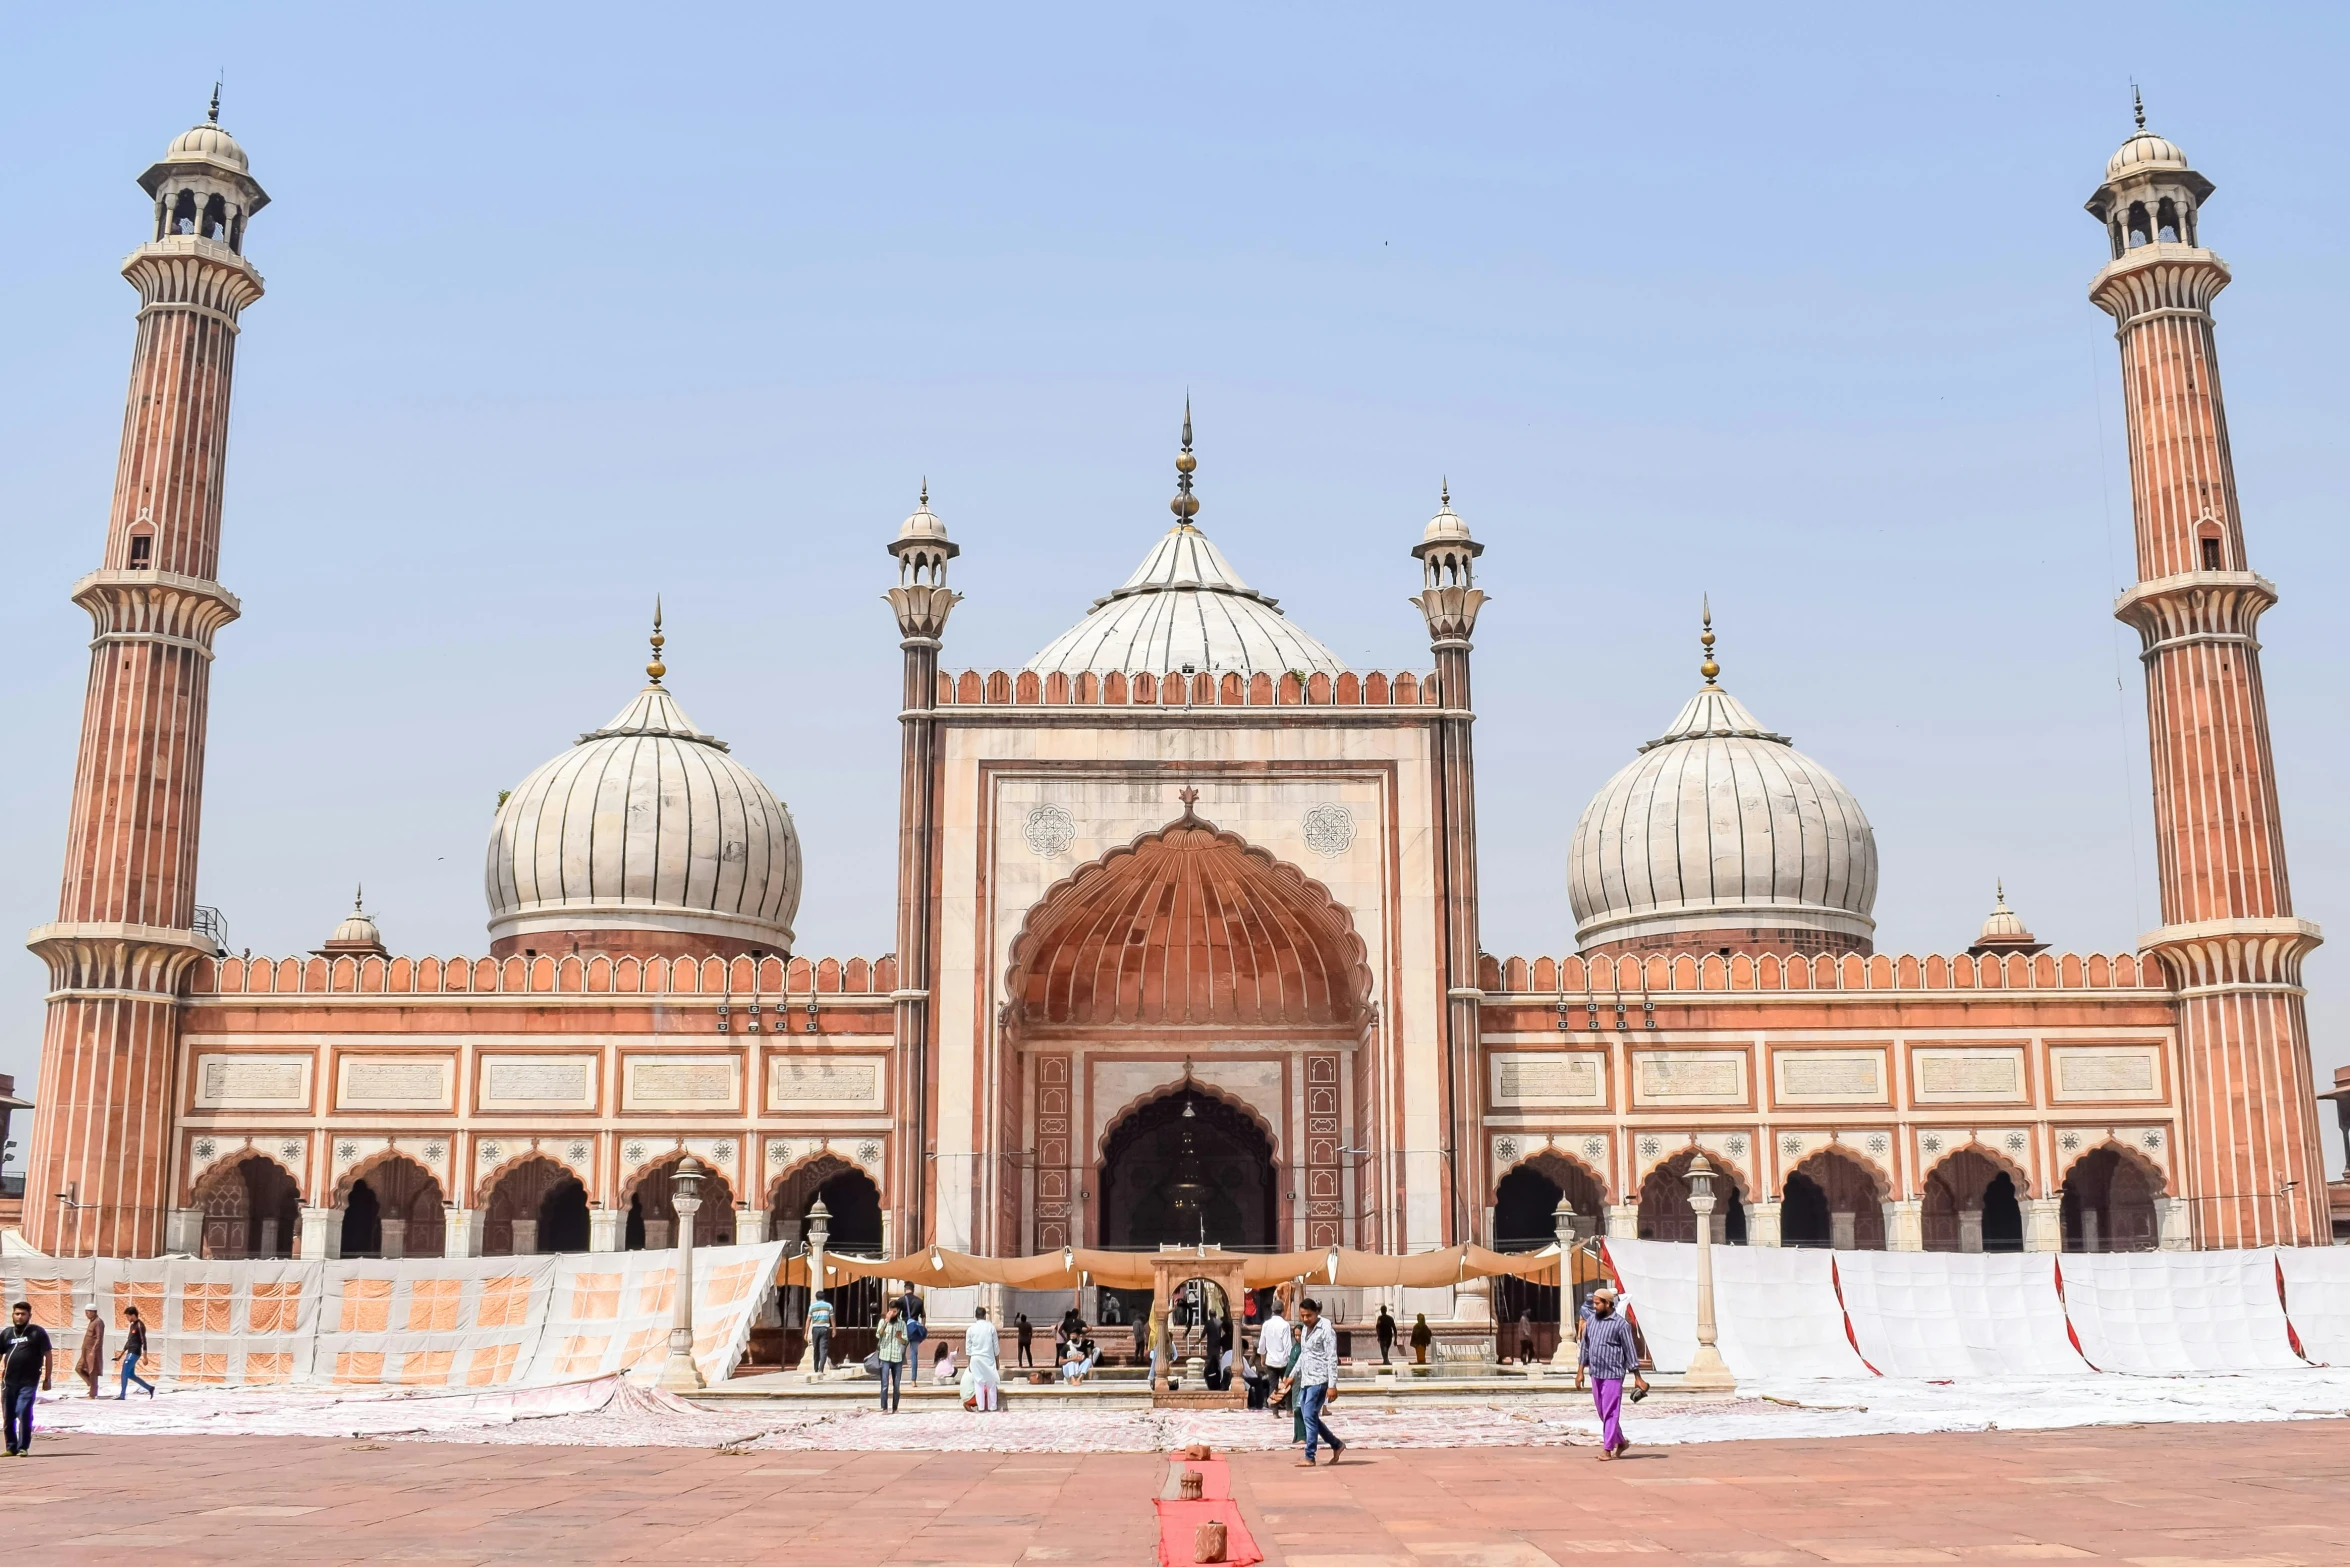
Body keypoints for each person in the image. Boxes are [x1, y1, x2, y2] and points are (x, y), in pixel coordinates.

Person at [1577, 1287, 1647, 1460]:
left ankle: (1607, 1449)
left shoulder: (1621, 1325)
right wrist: (1580, 1372)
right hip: (1595, 1372)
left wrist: (1637, 1377)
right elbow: (1585, 1347)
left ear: (1608, 1303)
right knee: (1602, 1411)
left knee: (1610, 1411)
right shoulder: (1591, 1321)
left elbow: (1630, 1351)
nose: (1594, 1306)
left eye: (1597, 1303)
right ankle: (1621, 1442)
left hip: (1613, 1373)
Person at [1280, 1297, 1345, 1467]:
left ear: (1316, 1313)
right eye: (1302, 1316)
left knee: (1308, 1414)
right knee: (1307, 1414)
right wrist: (1292, 1375)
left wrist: (1332, 1385)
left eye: (1308, 1315)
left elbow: (1332, 1358)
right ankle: (1336, 1444)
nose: (1305, 1319)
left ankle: (1310, 1456)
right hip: (1306, 1379)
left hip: (1320, 1379)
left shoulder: (1326, 1330)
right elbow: (1304, 1355)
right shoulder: (1305, 1331)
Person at [2, 1301, 53, 1457]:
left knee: (23, 1410)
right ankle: (11, 1447)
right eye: (17, 1313)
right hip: (8, 1381)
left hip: (29, 1381)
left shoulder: (37, 1333)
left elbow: (48, 1355)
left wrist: (47, 1378)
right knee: (8, 1414)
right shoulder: (7, 1334)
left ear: (29, 1316)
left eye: (23, 1314)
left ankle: (23, 1446)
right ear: (13, 1315)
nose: (20, 1316)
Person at [1257, 1294, 1298, 1438]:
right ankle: (1288, 1409)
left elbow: (1262, 1343)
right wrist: (1290, 1360)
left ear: (1272, 1311)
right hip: (1283, 1360)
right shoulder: (1285, 1325)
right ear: (1282, 1311)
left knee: (1273, 1385)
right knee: (1287, 1385)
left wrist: (1262, 1357)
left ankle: (1274, 1411)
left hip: (1271, 1360)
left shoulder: (1266, 1324)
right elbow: (1288, 1345)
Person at [961, 1305, 1002, 1412]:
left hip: (976, 1358)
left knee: (978, 1383)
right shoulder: (991, 1327)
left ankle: (981, 1407)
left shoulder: (971, 1329)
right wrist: (998, 1361)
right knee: (991, 1383)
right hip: (988, 1358)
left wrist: (969, 1362)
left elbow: (968, 1348)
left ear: (976, 1316)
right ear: (984, 1316)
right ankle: (992, 1406)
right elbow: (996, 1346)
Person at [875, 1303, 908, 1412]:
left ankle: (895, 1407)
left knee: (896, 1385)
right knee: (884, 1384)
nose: (892, 1313)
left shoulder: (902, 1323)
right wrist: (886, 1322)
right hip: (884, 1355)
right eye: (890, 1311)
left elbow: (905, 1341)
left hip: (897, 1356)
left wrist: (900, 1338)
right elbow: (878, 1335)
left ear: (897, 1311)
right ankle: (884, 1407)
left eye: (894, 1311)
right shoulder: (882, 1321)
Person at [118, 1305, 155, 1399]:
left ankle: (122, 1395)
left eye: (127, 1316)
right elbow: (129, 1341)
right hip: (129, 1352)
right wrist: (120, 1355)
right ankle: (149, 1388)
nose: (127, 1318)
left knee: (124, 1372)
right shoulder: (132, 1325)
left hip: (135, 1352)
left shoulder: (139, 1325)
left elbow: (143, 1340)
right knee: (130, 1374)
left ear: (133, 1315)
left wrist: (145, 1356)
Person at [75, 1307, 105, 1398]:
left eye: (88, 1312)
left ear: (93, 1312)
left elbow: (99, 1338)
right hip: (85, 1351)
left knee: (93, 1371)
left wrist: (93, 1350)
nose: (86, 1314)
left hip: (92, 1352)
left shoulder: (98, 1322)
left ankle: (93, 1393)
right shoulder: (92, 1321)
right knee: (79, 1368)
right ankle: (92, 1386)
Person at [806, 1291, 834, 1377]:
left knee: (816, 1349)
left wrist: (806, 1332)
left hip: (815, 1329)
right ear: (824, 1297)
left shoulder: (812, 1307)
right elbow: (832, 1318)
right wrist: (834, 1329)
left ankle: (815, 1368)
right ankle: (820, 1369)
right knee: (823, 1349)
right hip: (824, 1329)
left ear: (816, 1297)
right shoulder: (828, 1306)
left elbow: (808, 1320)